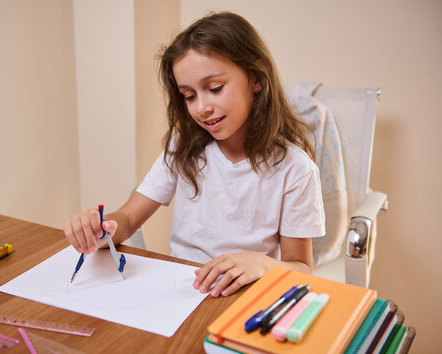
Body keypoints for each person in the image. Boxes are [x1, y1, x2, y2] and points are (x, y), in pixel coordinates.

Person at [64, 12, 325, 297]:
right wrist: (101, 230)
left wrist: (261, 264)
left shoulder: (295, 170)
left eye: (214, 88)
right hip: (183, 290)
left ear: (256, 78)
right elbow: (127, 219)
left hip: (244, 297)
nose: (201, 107)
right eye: (189, 96)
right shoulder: (183, 148)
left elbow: (301, 268)